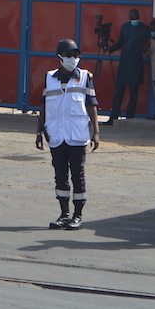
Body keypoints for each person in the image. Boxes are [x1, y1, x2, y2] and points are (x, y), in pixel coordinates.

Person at [36, 39, 100, 230]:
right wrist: (38, 131)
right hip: (56, 135)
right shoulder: (49, 78)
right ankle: (64, 214)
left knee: (77, 174)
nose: (73, 59)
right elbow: (43, 105)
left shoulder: (84, 77)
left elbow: (92, 104)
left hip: (77, 134)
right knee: (60, 174)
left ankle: (77, 215)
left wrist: (96, 132)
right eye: (69, 55)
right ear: (60, 58)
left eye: (76, 55)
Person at [101, 8, 150, 125]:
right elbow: (119, 43)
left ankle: (129, 119)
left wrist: (147, 49)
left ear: (139, 17)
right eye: (132, 18)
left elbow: (154, 40)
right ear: (129, 18)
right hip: (124, 64)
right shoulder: (125, 27)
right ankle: (113, 117)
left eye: (136, 18)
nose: (134, 20)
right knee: (119, 92)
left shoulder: (145, 29)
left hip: (136, 64)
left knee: (133, 93)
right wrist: (110, 49)